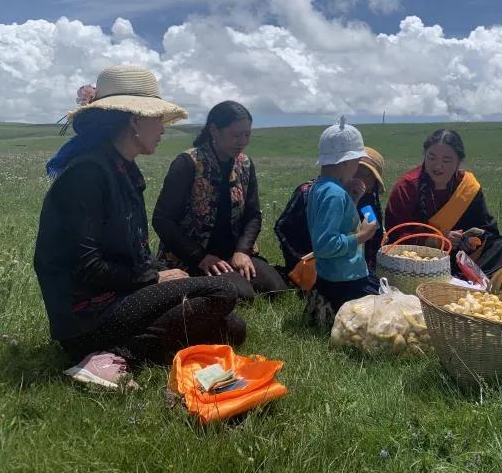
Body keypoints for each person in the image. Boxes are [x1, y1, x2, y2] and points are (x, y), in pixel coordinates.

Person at [35, 65, 246, 389]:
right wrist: (154, 277)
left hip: (118, 295)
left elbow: (127, 254)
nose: (162, 128)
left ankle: (129, 347)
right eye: (156, 118)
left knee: (232, 328)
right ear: (135, 121)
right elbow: (87, 267)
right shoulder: (88, 174)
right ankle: (114, 357)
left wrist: (158, 273)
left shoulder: (121, 169)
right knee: (222, 290)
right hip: (87, 316)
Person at [153, 101, 286, 301]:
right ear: (214, 130)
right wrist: (200, 257)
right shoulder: (188, 163)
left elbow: (253, 215)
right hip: (192, 255)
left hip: (232, 251)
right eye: (236, 135)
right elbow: (162, 220)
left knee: (276, 290)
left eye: (247, 135)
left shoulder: (245, 164)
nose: (242, 141)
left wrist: (242, 251)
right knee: (242, 295)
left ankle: (233, 268)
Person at [385, 129, 502, 277]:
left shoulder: (468, 186)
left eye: (446, 160)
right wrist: (438, 240)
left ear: (459, 162)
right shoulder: (407, 186)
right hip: (420, 257)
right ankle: (465, 279)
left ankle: (462, 278)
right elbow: (396, 233)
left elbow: (486, 228)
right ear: (424, 156)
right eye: (431, 158)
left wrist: (470, 240)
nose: (438, 166)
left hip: (461, 255)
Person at [304, 118, 379, 326]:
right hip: (345, 280)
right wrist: (362, 236)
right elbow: (325, 245)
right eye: (357, 162)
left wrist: (353, 199)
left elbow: (340, 224)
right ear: (345, 162)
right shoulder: (335, 195)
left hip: (332, 276)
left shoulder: (322, 188)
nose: (357, 168)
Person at [274, 147, 385, 275]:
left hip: (350, 271)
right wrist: (300, 262)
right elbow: (283, 228)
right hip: (313, 267)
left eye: (368, 175)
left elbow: (373, 235)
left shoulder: (368, 202)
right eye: (357, 169)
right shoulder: (310, 193)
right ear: (346, 167)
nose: (361, 179)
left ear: (373, 185)